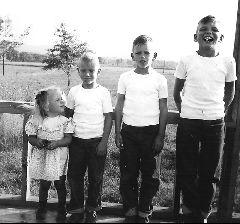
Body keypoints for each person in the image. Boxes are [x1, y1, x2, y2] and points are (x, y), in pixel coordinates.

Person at [173, 15, 237, 223]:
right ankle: (188, 211)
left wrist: (220, 110)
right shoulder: (186, 60)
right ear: (195, 36)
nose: (208, 32)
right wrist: (187, 111)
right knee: (187, 168)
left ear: (221, 37)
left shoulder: (228, 61)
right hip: (188, 121)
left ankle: (203, 213)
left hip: (215, 122)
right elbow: (177, 92)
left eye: (214, 29)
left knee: (210, 171)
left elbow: (230, 91)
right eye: (203, 29)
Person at [115, 35, 168, 223]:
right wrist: (117, 131)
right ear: (132, 55)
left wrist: (160, 135)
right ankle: (130, 208)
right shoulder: (125, 78)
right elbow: (119, 106)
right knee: (128, 172)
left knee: (151, 173)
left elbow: (163, 108)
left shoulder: (160, 80)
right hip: (128, 132)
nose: (143, 56)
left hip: (151, 132)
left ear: (154, 55)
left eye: (147, 52)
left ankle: (145, 209)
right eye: (138, 53)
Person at [65, 51, 113, 223]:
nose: (87, 74)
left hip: (96, 142)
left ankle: (92, 208)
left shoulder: (103, 93)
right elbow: (68, 115)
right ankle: (77, 209)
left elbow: (109, 117)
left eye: (91, 71)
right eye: (83, 70)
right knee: (75, 176)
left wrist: (104, 142)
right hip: (77, 141)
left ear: (98, 71)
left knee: (95, 178)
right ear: (78, 70)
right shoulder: (74, 92)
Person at [25, 86, 74, 222]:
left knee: (60, 184)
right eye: (57, 100)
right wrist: (38, 142)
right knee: (44, 185)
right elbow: (31, 137)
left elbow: (68, 139)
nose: (62, 101)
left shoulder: (64, 121)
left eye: (62, 98)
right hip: (44, 158)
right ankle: (41, 208)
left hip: (59, 158)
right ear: (47, 106)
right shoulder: (37, 121)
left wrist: (57, 143)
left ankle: (62, 209)